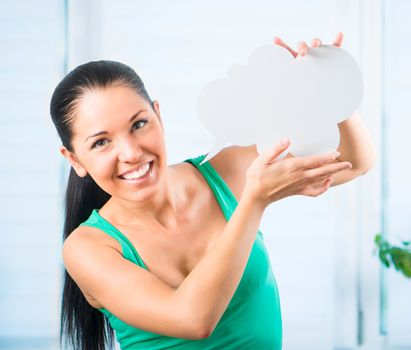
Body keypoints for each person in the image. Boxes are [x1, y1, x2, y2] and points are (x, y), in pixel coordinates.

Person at [50, 34, 375, 350]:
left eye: (139, 124)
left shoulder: (224, 172)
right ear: (75, 159)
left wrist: (327, 91)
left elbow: (353, 161)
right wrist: (254, 201)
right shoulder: (88, 248)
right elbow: (192, 320)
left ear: (159, 116)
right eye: (101, 142)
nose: (131, 153)